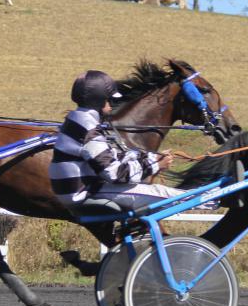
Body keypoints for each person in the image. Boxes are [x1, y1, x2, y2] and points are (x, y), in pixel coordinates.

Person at [49, 69, 181, 213]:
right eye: (108, 100)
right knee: (166, 194)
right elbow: (114, 173)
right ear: (98, 101)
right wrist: (155, 165)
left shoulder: (77, 120)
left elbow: (111, 157)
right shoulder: (89, 130)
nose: (111, 106)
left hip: (82, 189)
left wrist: (151, 158)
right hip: (86, 193)